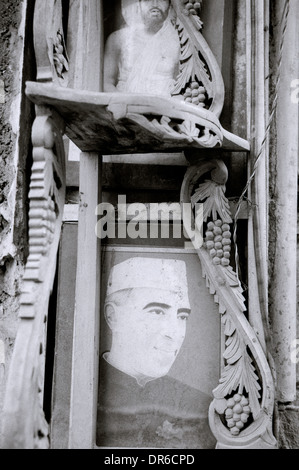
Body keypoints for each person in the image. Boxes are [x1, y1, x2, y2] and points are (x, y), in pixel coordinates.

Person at [96, 257, 216, 449]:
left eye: (182, 316)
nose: (174, 333)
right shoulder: (82, 393)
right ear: (113, 317)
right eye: (157, 312)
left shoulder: (201, 408)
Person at [103, 0, 181, 97]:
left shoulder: (178, 42)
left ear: (170, 5)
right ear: (139, 4)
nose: (155, 4)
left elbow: (180, 88)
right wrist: (128, 103)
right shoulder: (119, 38)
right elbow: (106, 84)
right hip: (126, 107)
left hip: (165, 108)